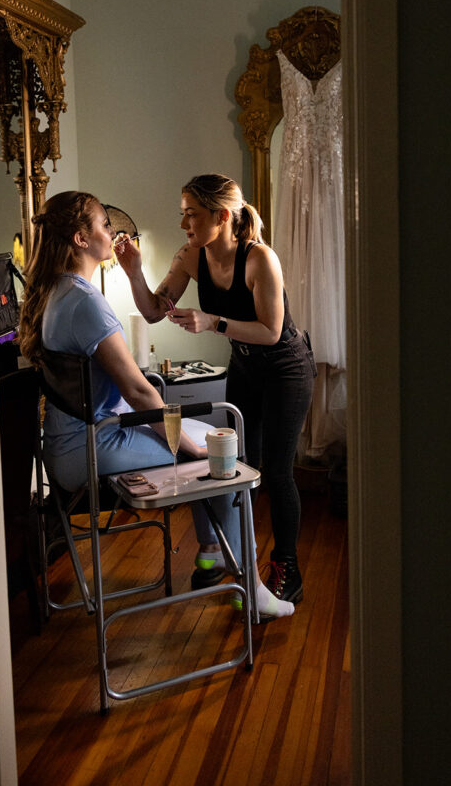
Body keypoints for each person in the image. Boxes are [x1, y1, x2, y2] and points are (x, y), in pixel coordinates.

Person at [17, 190, 294, 620]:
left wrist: (134, 271)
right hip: (88, 445)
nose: (113, 229)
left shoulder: (60, 290)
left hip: (70, 441)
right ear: (80, 239)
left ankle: (214, 552)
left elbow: (141, 342)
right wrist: (186, 445)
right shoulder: (85, 303)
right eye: (104, 224)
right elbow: (139, 392)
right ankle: (251, 586)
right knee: (221, 448)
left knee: (206, 440)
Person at [115, 174, 316, 605]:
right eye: (182, 214)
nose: (185, 224)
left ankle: (287, 568)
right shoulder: (191, 256)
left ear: (222, 216)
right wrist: (134, 271)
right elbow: (152, 310)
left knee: (277, 472)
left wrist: (213, 322)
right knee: (239, 464)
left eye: (193, 214)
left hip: (286, 368)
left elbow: (271, 330)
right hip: (244, 366)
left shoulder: (260, 258)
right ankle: (235, 559)